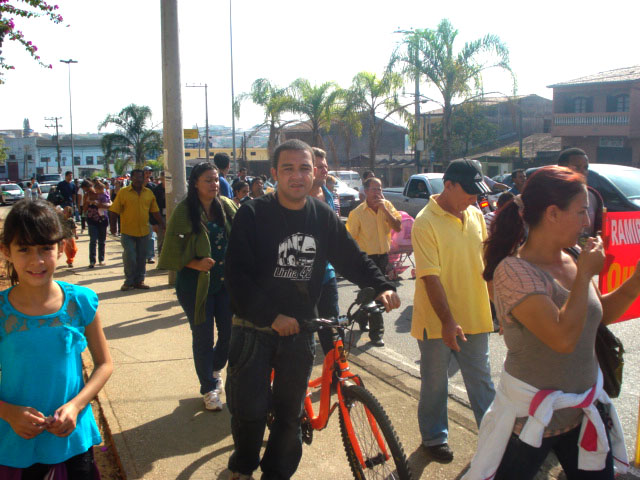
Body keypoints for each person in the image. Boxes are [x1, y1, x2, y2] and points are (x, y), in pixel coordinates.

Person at [224, 139, 400, 480]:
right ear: (274, 174)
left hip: (300, 330)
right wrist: (271, 316)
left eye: (304, 168)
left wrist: (382, 284)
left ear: (315, 173)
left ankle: (276, 473)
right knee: (251, 412)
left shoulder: (321, 215)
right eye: (287, 169)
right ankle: (243, 466)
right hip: (254, 329)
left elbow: (351, 256)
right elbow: (236, 274)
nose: (297, 176)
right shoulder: (253, 213)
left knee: (290, 414)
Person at [464, 165, 640, 480]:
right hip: (528, 420)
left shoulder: (573, 255)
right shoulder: (514, 271)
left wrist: (633, 284)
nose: (588, 221)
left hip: (582, 413)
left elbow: (594, 319)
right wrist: (586, 274)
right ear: (553, 213)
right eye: (582, 212)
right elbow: (562, 338)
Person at [0, 199, 113, 478]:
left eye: (45, 249)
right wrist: (9, 413)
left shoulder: (81, 301)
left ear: (61, 248)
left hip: (73, 441)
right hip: (15, 445)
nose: (36, 261)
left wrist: (77, 405)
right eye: (24, 249)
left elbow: (104, 364)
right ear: (6, 251)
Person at [410, 159, 495, 463]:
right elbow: (430, 276)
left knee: (482, 382)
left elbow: (485, 265)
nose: (474, 199)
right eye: (469, 193)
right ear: (448, 186)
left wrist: (497, 308)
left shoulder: (475, 215)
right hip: (436, 322)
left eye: (477, 193)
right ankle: (434, 438)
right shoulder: (425, 222)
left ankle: (495, 441)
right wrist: (448, 321)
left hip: (476, 315)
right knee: (435, 383)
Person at [159, 163, 238, 411]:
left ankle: (214, 369)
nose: (214, 184)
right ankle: (208, 388)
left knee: (230, 333)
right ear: (195, 183)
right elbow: (170, 253)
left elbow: (241, 236)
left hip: (225, 283)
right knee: (203, 337)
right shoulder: (184, 212)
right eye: (208, 180)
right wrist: (195, 263)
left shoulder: (226, 206)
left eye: (216, 180)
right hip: (195, 286)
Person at [346, 176, 402, 346]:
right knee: (375, 294)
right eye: (374, 189)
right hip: (365, 261)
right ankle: (376, 334)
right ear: (366, 191)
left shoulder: (388, 206)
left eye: (380, 189)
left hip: (383, 258)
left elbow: (398, 226)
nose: (378, 193)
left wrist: (385, 210)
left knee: (373, 294)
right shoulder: (357, 213)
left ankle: (361, 316)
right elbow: (349, 239)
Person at [108, 169, 165, 291]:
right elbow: (113, 211)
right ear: (131, 178)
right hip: (128, 231)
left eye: (141, 177)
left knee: (141, 257)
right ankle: (129, 281)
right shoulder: (123, 193)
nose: (139, 179)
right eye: (137, 177)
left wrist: (162, 224)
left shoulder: (149, 193)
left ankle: (140, 281)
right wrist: (113, 227)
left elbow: (155, 211)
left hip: (144, 231)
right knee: (130, 256)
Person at [309, 147, 341, 355]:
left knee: (332, 328)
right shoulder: (294, 197)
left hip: (327, 274)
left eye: (326, 167)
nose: (324, 171)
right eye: (319, 167)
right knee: (305, 337)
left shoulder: (329, 196)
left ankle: (336, 376)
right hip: (300, 279)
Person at [557, 147, 603, 236]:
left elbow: (598, 229)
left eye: (585, 167)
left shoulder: (593, 196)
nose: (583, 172)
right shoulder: (550, 195)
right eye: (577, 167)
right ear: (561, 169)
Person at [84, 180, 111, 268]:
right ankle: (92, 260)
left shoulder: (105, 195)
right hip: (92, 220)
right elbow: (85, 206)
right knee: (93, 240)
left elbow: (110, 204)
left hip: (103, 220)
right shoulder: (88, 195)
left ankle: (101, 259)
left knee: (102, 241)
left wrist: (101, 204)